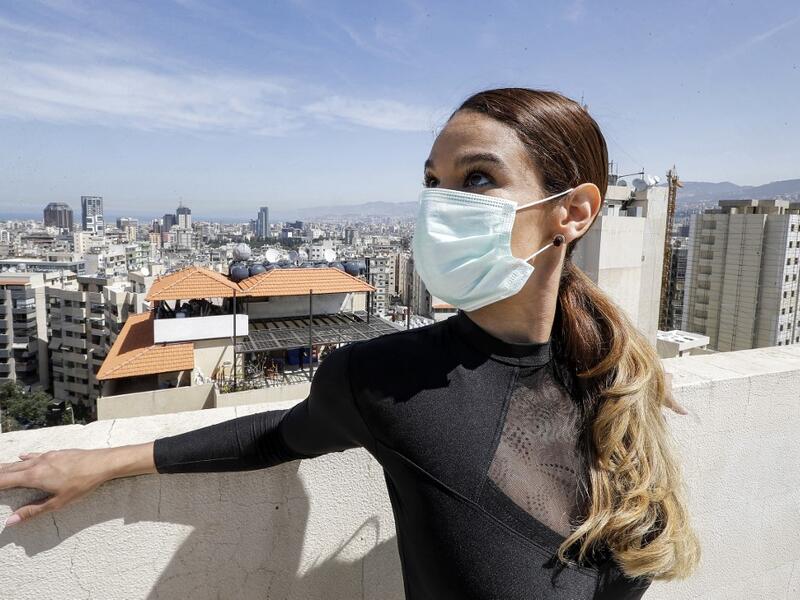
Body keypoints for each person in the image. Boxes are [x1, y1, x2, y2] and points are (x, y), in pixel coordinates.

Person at [0, 88, 700, 599]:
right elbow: (277, 434)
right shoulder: (387, 379)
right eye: (432, 182)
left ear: (573, 212)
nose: (438, 204)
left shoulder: (611, 375)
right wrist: (102, 461)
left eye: (476, 178)